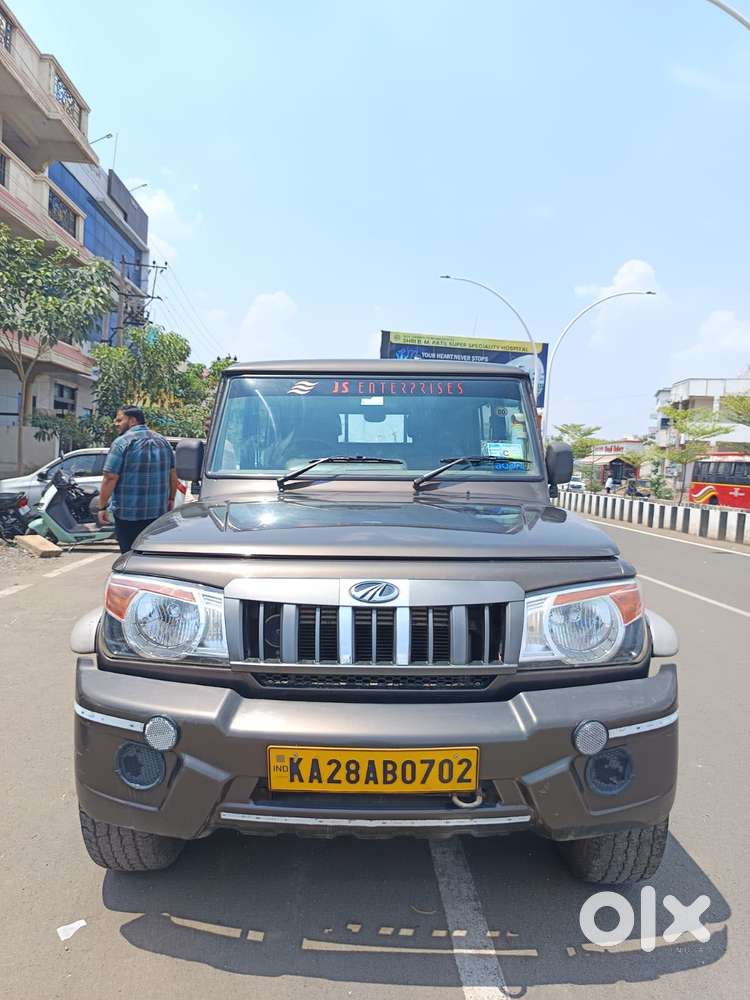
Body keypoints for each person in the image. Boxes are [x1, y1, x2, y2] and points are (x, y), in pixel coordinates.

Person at [97, 406, 178, 553]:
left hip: (128, 515)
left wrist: (102, 507)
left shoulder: (122, 443)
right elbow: (172, 474)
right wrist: (171, 499)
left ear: (132, 420)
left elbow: (110, 477)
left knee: (129, 555)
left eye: (119, 420)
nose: (116, 424)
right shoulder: (163, 442)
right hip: (156, 514)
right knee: (151, 555)